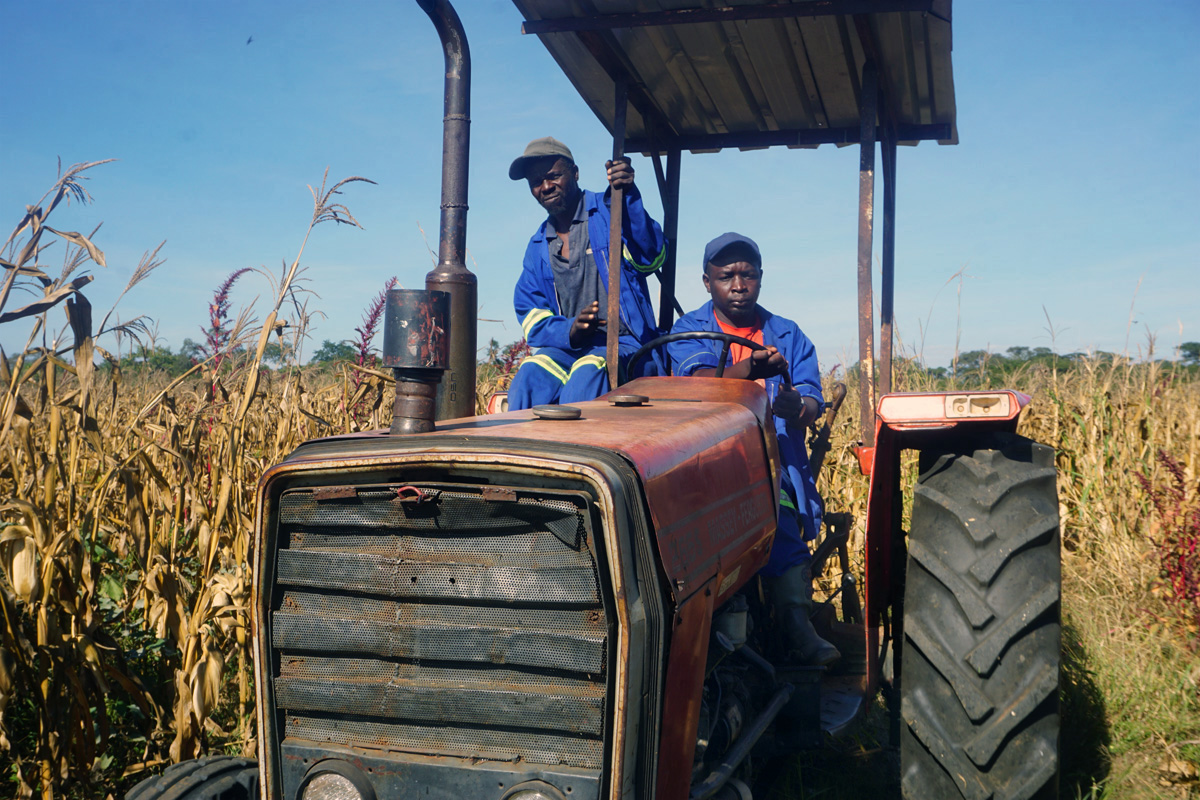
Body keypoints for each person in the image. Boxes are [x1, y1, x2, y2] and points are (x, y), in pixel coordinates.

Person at [667, 232, 839, 667]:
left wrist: (796, 406)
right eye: (727, 276)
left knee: (775, 506)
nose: (738, 285)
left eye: (747, 275)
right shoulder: (689, 330)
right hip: (708, 461)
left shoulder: (788, 333)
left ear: (760, 279)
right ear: (707, 282)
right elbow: (697, 384)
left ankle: (797, 624)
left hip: (771, 462)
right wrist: (750, 369)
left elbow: (812, 399)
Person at [507, 136, 667, 409]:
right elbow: (531, 313)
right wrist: (570, 330)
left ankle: (579, 450)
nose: (546, 187)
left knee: (588, 373)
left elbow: (651, 256)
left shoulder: (612, 210)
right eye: (536, 182)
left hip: (626, 344)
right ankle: (515, 449)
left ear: (575, 172)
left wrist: (629, 196)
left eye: (553, 176)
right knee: (528, 377)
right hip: (569, 348)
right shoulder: (537, 247)